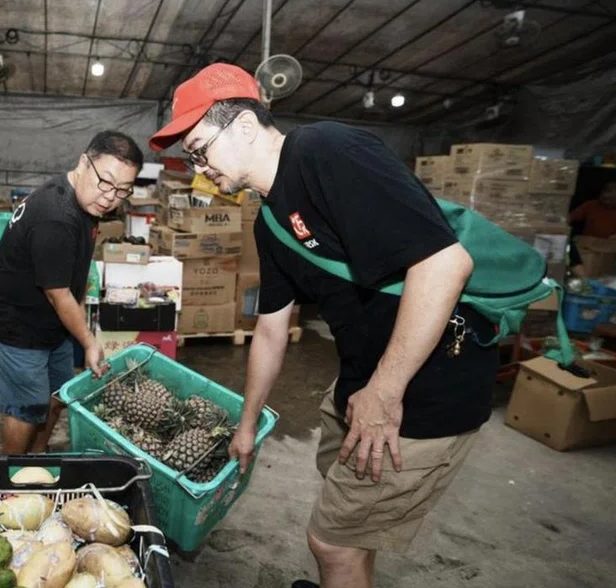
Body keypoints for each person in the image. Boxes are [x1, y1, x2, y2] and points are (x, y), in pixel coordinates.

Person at [149, 64, 498, 588]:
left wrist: (383, 393)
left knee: (330, 540)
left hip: (423, 388)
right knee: (348, 528)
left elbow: (445, 265)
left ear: (244, 127)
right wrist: (246, 426)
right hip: (363, 378)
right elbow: (270, 329)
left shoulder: (326, 151)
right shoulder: (269, 222)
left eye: (200, 149)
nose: (200, 170)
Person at [0, 131, 143, 455]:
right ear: (84, 162)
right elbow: (59, 294)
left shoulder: (86, 202)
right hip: (14, 327)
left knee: (58, 396)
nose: (111, 197)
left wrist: (81, 331)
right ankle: (10, 477)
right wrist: (89, 342)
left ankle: (38, 459)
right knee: (26, 408)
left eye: (123, 190)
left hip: (52, 326)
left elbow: (74, 279)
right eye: (106, 183)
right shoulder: (55, 215)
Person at [568, 181, 616, 277]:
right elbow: (569, 218)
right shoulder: (591, 205)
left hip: (610, 248)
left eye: (611, 198)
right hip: (588, 247)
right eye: (605, 195)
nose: (606, 199)